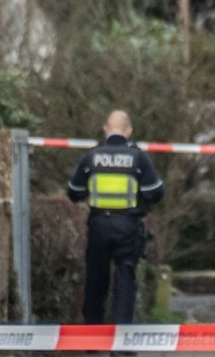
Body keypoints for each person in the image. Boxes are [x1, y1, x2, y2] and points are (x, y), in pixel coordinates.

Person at [65, 110, 166, 326]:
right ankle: (122, 334)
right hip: (127, 226)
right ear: (129, 131)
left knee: (96, 279)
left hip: (98, 225)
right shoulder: (138, 158)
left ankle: (93, 333)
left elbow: (74, 192)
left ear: (105, 129)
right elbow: (156, 193)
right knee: (125, 278)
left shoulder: (91, 157)